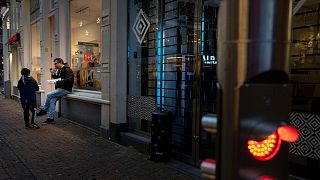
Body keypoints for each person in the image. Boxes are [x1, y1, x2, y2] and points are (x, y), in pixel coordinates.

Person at [37, 58, 74, 124]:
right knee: (52, 101)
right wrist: (53, 74)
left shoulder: (67, 70)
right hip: (60, 89)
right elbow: (58, 78)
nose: (54, 65)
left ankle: (44, 109)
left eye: (55, 63)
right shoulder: (60, 70)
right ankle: (50, 118)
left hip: (65, 89)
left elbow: (69, 80)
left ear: (60, 63)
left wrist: (58, 82)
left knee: (49, 94)